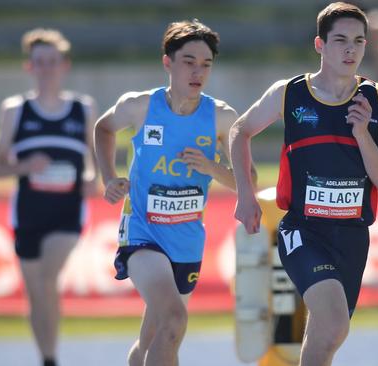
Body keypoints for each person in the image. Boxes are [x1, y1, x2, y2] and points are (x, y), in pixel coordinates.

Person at [230, 3, 378, 365]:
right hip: (303, 231)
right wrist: (244, 196)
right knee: (333, 322)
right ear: (320, 44)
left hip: (353, 236)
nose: (350, 49)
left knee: (327, 336)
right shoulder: (290, 93)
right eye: (340, 40)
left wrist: (361, 134)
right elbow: (239, 131)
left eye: (358, 41)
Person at [94, 19, 237, 366]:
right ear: (168, 63)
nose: (197, 72)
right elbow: (103, 128)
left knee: (153, 341)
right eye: (189, 62)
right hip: (143, 233)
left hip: (187, 239)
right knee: (174, 321)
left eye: (206, 64)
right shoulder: (140, 106)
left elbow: (243, 180)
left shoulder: (222, 117)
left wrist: (212, 168)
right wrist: (109, 177)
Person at [0, 28, 97, 366]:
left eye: (52, 61)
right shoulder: (15, 110)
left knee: (48, 278)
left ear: (64, 65)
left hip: (67, 212)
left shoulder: (83, 108)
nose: (46, 68)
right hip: (28, 213)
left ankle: (50, 357)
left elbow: (99, 161)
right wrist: (25, 165)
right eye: (39, 62)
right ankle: (48, 357)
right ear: (29, 67)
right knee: (36, 293)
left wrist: (93, 179)